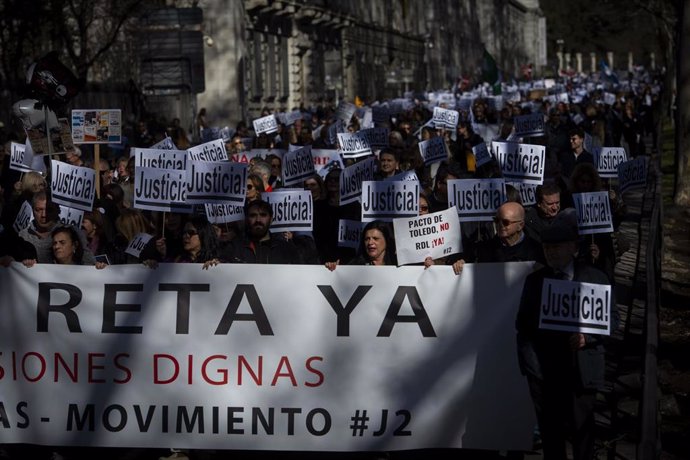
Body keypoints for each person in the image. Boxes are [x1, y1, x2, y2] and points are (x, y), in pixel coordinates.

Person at [516, 213, 618, 460]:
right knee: (552, 439)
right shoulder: (535, 281)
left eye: (557, 247)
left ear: (573, 247)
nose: (551, 252)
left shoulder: (595, 278)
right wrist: (532, 371)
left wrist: (587, 337)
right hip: (545, 374)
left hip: (581, 372)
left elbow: (611, 321)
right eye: (547, 248)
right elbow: (523, 325)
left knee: (583, 437)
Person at [225, 200, 301, 264]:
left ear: (271, 219)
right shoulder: (235, 247)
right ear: (247, 219)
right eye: (253, 215)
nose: (258, 220)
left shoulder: (286, 249)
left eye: (263, 215)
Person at [473, 202, 544, 264]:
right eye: (497, 220)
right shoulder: (485, 250)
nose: (500, 225)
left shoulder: (537, 250)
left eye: (506, 222)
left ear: (520, 225)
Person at [326, 220, 396, 269]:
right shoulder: (354, 265)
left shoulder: (399, 264)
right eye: (367, 239)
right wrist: (333, 269)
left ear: (386, 240)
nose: (370, 242)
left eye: (375, 238)